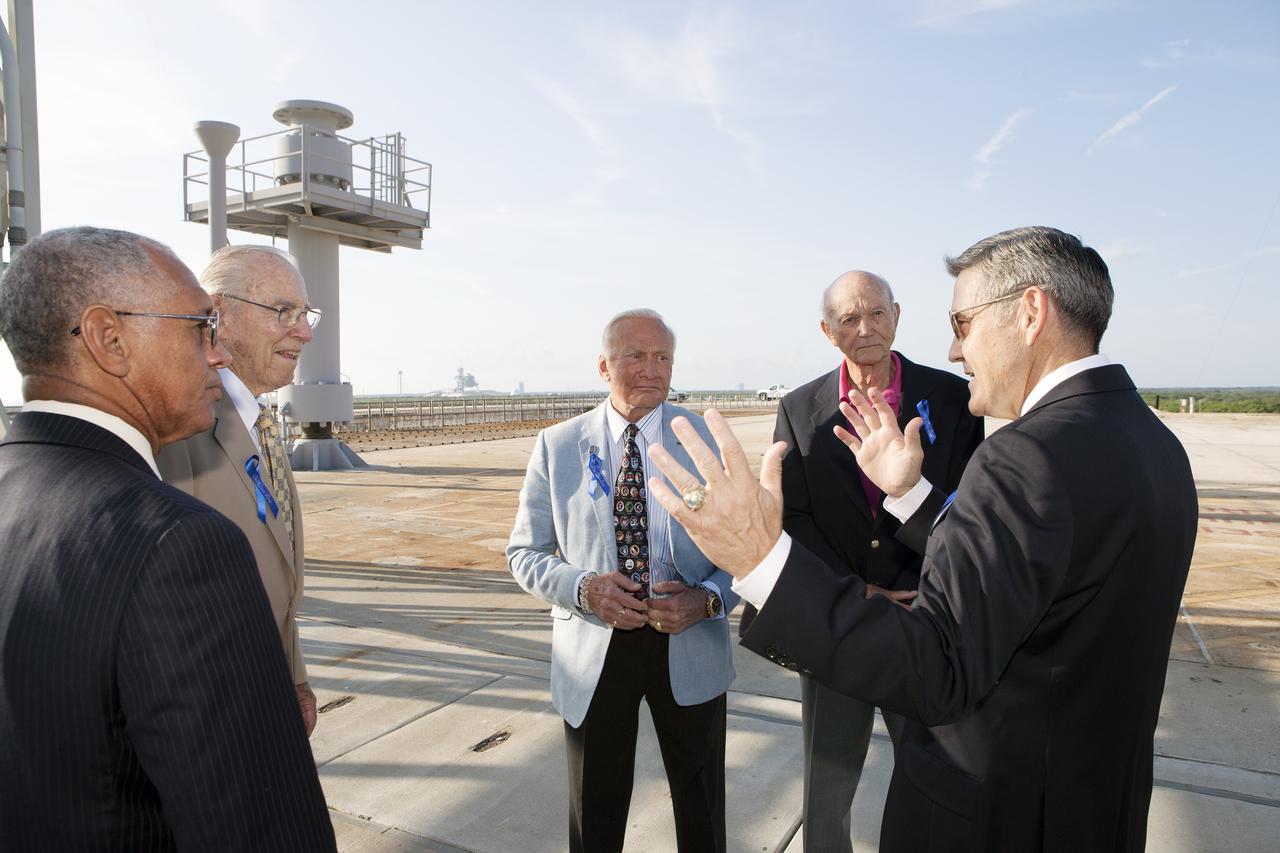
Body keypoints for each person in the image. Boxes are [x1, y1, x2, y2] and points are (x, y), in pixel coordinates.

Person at [644, 227, 1198, 853]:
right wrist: (911, 495)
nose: (958, 350)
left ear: (1031, 312)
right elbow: (1015, 563)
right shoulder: (1154, 444)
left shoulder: (1023, 458)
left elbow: (942, 667)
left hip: (1003, 813)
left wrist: (759, 559)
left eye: (964, 322)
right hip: (1092, 803)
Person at [0, 227, 336, 851]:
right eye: (195, 326)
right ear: (108, 338)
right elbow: (250, 819)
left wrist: (287, 674)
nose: (212, 354)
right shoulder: (176, 538)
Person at [755, 270, 982, 853]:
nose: (866, 329)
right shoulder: (799, 408)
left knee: (938, 778)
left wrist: (915, 585)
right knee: (826, 788)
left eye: (877, 314)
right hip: (842, 622)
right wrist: (855, 591)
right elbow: (796, 519)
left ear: (898, 316)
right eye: (850, 319)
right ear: (828, 332)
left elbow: (967, 503)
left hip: (926, 621)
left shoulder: (953, 398)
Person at [507, 308, 738, 853]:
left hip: (688, 640)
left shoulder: (703, 439)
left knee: (702, 808)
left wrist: (707, 600)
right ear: (604, 365)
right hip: (594, 649)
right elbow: (523, 553)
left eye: (662, 357)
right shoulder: (559, 445)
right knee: (596, 813)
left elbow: (745, 550)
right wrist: (584, 588)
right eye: (635, 355)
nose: (651, 369)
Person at [158, 244, 320, 734]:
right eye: (283, 312)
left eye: (306, 313)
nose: (305, 332)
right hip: (208, 717)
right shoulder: (178, 429)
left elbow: (275, 573)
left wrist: (293, 676)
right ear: (218, 314)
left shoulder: (260, 422)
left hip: (264, 695)